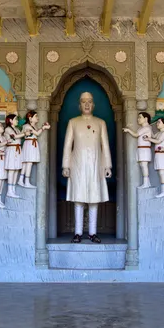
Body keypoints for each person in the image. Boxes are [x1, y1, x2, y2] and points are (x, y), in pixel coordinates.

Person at [62, 92, 112, 244]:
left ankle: (92, 233)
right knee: (78, 199)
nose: (87, 104)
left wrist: (107, 165)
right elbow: (67, 146)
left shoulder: (100, 123)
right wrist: (66, 165)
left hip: (96, 164)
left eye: (89, 101)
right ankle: (77, 233)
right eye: (84, 101)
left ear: (93, 104)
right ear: (79, 105)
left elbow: (105, 146)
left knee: (94, 199)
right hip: (78, 164)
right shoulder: (73, 122)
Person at [19, 110, 50, 188]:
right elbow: (37, 133)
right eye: (35, 116)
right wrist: (43, 128)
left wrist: (43, 127)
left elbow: (36, 132)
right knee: (28, 162)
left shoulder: (32, 126)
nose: (37, 118)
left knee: (27, 163)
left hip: (31, 144)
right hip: (29, 144)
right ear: (30, 118)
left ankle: (21, 180)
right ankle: (26, 181)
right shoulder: (27, 126)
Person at [122, 112, 153, 188]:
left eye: (140, 117)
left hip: (144, 149)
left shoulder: (146, 128)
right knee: (142, 165)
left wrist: (128, 130)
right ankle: (147, 182)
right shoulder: (143, 128)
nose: (138, 119)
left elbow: (136, 135)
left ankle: (146, 183)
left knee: (144, 165)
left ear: (146, 119)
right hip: (141, 149)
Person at [143, 117, 164, 198]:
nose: (157, 124)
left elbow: (158, 141)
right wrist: (149, 128)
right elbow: (153, 136)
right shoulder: (159, 133)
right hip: (158, 154)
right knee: (160, 173)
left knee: (162, 173)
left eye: (159, 122)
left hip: (163, 155)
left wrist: (148, 139)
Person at [4, 114, 25, 198]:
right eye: (15, 119)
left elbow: (20, 135)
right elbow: (15, 136)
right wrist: (24, 133)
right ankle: (9, 190)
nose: (17, 121)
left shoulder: (16, 129)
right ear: (10, 120)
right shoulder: (8, 129)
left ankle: (13, 189)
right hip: (12, 149)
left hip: (17, 149)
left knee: (16, 169)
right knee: (11, 170)